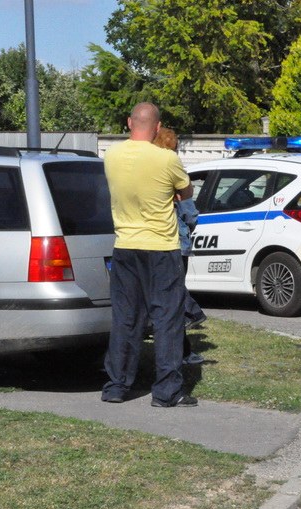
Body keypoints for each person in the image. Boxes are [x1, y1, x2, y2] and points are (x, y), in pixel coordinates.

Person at [101, 102, 197, 408]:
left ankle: (117, 386)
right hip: (161, 249)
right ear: (157, 128)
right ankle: (167, 392)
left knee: (125, 318)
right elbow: (186, 192)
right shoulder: (167, 158)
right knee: (167, 320)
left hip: (125, 246)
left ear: (129, 122)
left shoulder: (111, 156)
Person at [152, 127, 206, 365]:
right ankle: (192, 314)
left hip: (155, 240)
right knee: (173, 295)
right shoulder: (174, 172)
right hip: (176, 242)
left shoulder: (151, 172)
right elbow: (190, 212)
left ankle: (183, 347)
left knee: (167, 298)